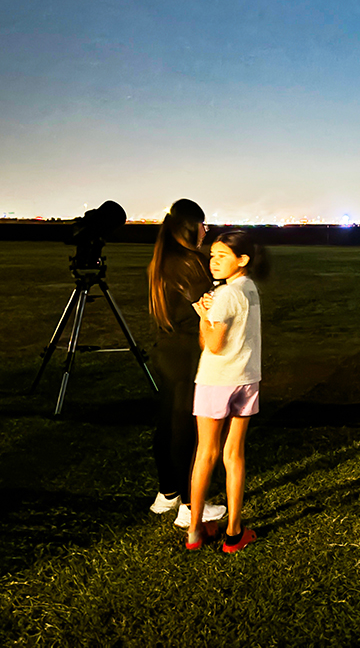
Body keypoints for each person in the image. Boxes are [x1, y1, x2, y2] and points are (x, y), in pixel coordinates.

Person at [186, 230, 271, 550]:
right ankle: (234, 531)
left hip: (215, 380)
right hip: (246, 378)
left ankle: (195, 530)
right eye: (212, 255)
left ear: (242, 260)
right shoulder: (249, 288)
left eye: (222, 256)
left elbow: (213, 345)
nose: (213, 262)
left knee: (206, 453)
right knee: (234, 454)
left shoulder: (223, 295)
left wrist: (203, 316)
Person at [146, 199, 225, 529]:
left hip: (166, 350)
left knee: (167, 422)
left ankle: (168, 493)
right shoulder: (188, 262)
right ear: (188, 228)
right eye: (202, 224)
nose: (206, 230)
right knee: (185, 428)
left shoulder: (161, 259)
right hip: (187, 353)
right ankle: (192, 504)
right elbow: (207, 315)